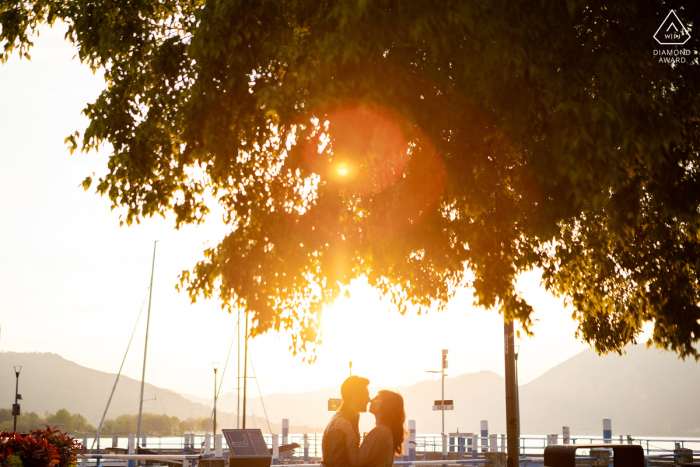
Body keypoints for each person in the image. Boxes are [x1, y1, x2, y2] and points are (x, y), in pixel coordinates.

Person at [322, 375, 371, 467]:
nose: (369, 399)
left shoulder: (350, 419)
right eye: (366, 395)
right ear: (355, 399)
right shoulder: (340, 424)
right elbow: (338, 463)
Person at [356, 390, 407, 467]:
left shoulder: (380, 431)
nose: (371, 400)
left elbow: (357, 460)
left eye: (377, 398)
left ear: (386, 405)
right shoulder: (387, 431)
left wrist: (348, 433)